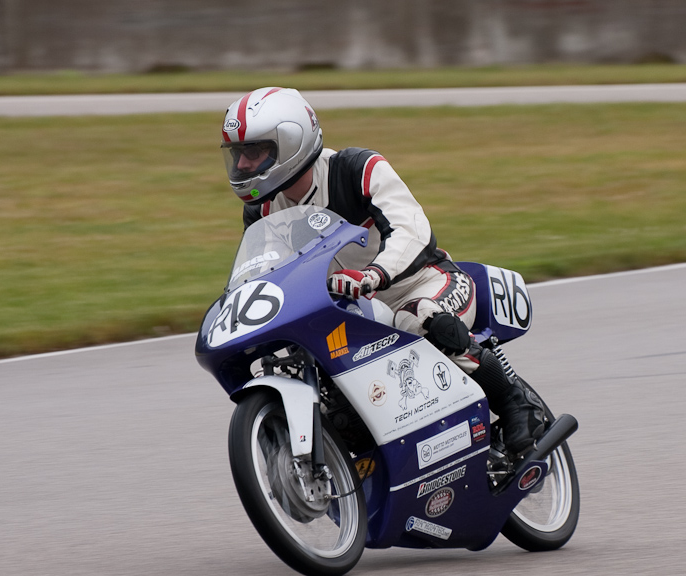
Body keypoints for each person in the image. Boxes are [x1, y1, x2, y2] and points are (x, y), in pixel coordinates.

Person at [220, 87, 545, 454]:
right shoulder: (264, 210)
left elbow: (412, 229)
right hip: (350, 311)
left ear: (292, 143)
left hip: (421, 284)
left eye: (254, 151)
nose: (243, 165)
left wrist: (373, 274)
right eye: (238, 154)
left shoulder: (357, 169)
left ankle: (518, 404)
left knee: (418, 318)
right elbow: (262, 275)